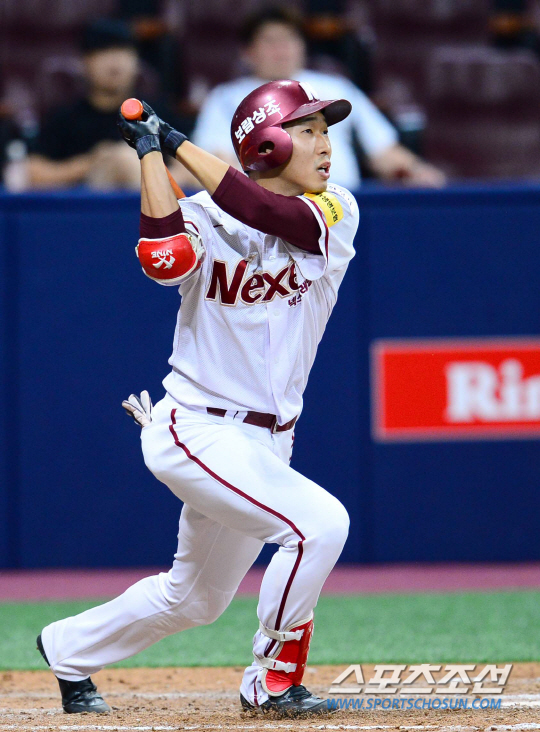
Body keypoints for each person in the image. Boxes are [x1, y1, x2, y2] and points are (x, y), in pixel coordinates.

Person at [36, 79, 358, 717]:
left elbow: (271, 216)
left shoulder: (335, 208)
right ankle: (272, 680)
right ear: (266, 143)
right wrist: (150, 154)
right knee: (320, 526)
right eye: (307, 131)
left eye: (326, 132)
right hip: (197, 428)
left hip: (269, 439)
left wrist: (175, 142)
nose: (325, 145)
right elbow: (162, 260)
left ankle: (67, 648)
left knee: (196, 599)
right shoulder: (204, 216)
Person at [192, 7, 446, 190]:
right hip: (263, 214)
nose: (281, 49)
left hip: (339, 207)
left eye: (289, 39)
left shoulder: (337, 87)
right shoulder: (225, 99)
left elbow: (383, 150)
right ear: (247, 52)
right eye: (270, 41)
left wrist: (416, 170)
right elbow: (214, 160)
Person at [27, 19, 182, 190]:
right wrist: (90, 163)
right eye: (104, 52)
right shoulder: (64, 118)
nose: (115, 62)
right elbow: (33, 172)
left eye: (123, 52)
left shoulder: (156, 114)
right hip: (88, 203)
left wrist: (138, 166)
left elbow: (189, 168)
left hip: (150, 200)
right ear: (85, 62)